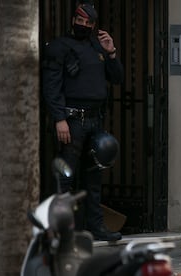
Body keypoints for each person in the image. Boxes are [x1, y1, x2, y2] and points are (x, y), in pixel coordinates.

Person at [42, 2, 124, 241]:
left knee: (94, 180)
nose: (84, 26)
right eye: (81, 22)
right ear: (73, 21)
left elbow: (117, 78)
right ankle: (58, 231)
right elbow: (51, 86)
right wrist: (59, 119)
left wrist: (111, 53)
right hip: (71, 121)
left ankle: (97, 228)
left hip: (95, 121)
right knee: (64, 179)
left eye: (89, 23)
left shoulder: (96, 45)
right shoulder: (59, 47)